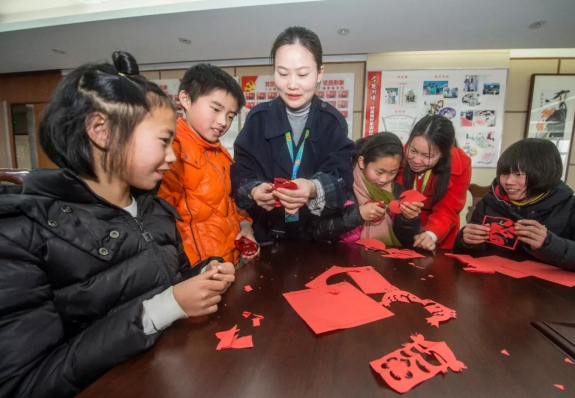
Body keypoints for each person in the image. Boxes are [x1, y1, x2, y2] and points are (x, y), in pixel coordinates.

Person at [0, 52, 235, 397]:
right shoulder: (22, 234)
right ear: (102, 131)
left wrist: (204, 274)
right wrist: (163, 307)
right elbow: (25, 384)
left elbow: (173, 282)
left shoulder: (156, 212)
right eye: (163, 141)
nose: (172, 157)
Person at [231, 26, 354, 242]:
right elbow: (242, 169)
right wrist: (254, 190)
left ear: (319, 73)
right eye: (283, 73)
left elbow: (342, 176)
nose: (292, 84)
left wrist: (313, 187)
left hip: (318, 236)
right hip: (266, 234)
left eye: (303, 74)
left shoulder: (332, 121)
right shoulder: (259, 118)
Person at [158, 63, 257, 267]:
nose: (223, 122)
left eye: (230, 116)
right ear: (185, 99)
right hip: (197, 272)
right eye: (215, 109)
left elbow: (231, 205)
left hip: (229, 263)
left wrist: (246, 228)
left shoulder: (221, 153)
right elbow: (160, 224)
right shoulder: (171, 150)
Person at [454, 139, 575, 275]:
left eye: (519, 174)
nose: (509, 181)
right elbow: (466, 254)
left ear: (544, 174)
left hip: (552, 295)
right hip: (494, 289)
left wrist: (549, 244)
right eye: (504, 174)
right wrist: (465, 241)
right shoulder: (491, 202)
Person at [313, 132, 423, 246]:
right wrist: (358, 214)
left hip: (384, 258)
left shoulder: (398, 192)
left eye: (392, 172)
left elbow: (407, 241)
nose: (384, 179)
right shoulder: (341, 186)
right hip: (342, 257)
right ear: (362, 162)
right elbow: (318, 231)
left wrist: (409, 219)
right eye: (379, 172)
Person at [398, 114, 472, 250]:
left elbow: (448, 209)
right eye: (413, 150)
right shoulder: (398, 155)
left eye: (427, 156)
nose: (416, 160)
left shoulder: (461, 164)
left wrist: (431, 233)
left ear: (443, 154)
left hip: (439, 235)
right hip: (401, 230)